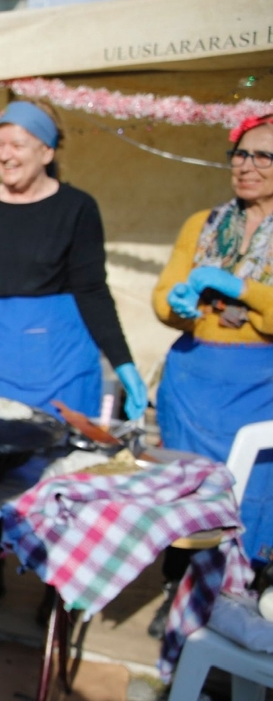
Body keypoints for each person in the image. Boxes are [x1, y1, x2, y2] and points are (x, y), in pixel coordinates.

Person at [0, 100, 148, 612]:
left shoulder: (77, 209)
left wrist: (121, 360)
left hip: (54, 356)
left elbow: (91, 289)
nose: (4, 156)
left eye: (16, 145)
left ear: (46, 151)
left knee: (58, 472)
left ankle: (57, 586)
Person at [147, 114, 273, 638]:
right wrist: (178, 306)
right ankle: (178, 600)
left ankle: (245, 602)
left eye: (263, 156)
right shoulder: (203, 223)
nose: (246, 167)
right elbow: (164, 296)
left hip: (258, 388)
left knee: (253, 499)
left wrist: (243, 291)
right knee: (187, 496)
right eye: (240, 155)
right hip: (192, 383)